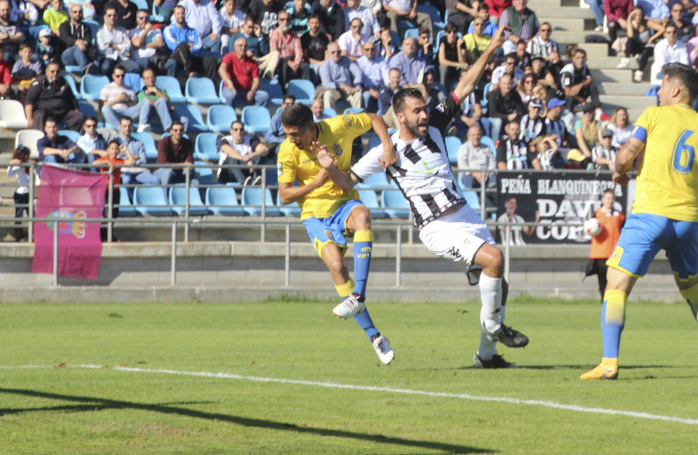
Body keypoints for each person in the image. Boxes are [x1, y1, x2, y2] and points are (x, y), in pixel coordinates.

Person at [330, 29, 529, 368]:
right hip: (436, 226)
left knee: (500, 282)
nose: (424, 115)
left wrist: (492, 48)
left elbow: (464, 85)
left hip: (465, 214)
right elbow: (347, 179)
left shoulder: (435, 123)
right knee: (494, 259)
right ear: (401, 116)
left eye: (425, 108)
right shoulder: (384, 152)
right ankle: (495, 328)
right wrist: (328, 166)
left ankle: (486, 356)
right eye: (417, 111)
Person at [581, 63, 698, 380]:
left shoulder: (653, 116)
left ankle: (609, 363)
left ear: (675, 90)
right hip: (686, 221)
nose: (657, 92)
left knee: (615, 285)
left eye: (661, 86)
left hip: (650, 215)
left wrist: (621, 171)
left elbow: (626, 155)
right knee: (693, 289)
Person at [276, 102, 398, 364]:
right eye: (287, 134)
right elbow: (284, 195)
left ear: (311, 128)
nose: (290, 139)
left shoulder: (339, 126)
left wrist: (387, 146)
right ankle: (375, 337)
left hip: (344, 203)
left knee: (364, 215)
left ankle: (358, 296)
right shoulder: (287, 151)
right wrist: (317, 182)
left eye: (295, 134)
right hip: (315, 215)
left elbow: (375, 118)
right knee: (337, 265)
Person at [585, 188, 624, 301]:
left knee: (614, 280)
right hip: (600, 253)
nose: (609, 201)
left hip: (614, 253)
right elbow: (590, 228)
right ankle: (604, 300)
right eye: (607, 198)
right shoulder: (596, 214)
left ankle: (613, 300)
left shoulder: (619, 215)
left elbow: (623, 231)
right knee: (602, 279)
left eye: (612, 198)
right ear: (603, 199)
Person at [219, 37, 269, 107]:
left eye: (245, 46)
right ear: (235, 47)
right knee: (231, 95)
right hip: (231, 89)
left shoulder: (252, 62)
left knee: (263, 96)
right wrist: (230, 83)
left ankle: (254, 115)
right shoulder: (229, 57)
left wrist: (252, 91)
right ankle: (230, 116)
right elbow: (221, 69)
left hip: (247, 91)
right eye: (240, 45)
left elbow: (256, 80)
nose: (243, 48)